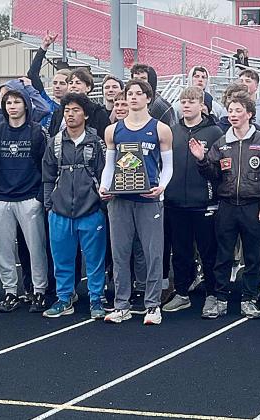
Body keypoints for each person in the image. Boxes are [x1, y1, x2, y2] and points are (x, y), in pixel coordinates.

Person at [193, 93, 260, 319]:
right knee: (223, 255)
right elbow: (213, 175)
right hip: (227, 206)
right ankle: (220, 299)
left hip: (253, 206)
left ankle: (249, 299)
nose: (233, 115)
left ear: (249, 114)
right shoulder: (221, 143)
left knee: (253, 255)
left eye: (238, 110)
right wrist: (202, 159)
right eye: (230, 110)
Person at [99, 80, 174, 325]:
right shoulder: (113, 130)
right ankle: (122, 305)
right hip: (120, 199)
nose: (133, 98)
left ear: (148, 98)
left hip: (148, 199)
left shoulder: (161, 129)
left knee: (153, 254)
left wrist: (161, 187)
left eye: (138, 94)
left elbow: (168, 166)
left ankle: (152, 305)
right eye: (129, 93)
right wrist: (104, 186)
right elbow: (110, 165)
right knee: (120, 253)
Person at [42, 93, 110, 320]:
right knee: (61, 258)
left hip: (91, 212)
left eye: (76, 110)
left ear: (86, 114)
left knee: (95, 259)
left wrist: (101, 206)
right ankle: (64, 298)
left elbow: (104, 175)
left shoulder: (97, 143)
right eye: (67, 110)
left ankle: (96, 298)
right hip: (60, 212)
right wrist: (49, 205)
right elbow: (48, 176)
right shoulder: (55, 143)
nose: (70, 115)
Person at [0, 86, 50, 313]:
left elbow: (45, 165)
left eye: (17, 102)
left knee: (36, 248)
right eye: (8, 103)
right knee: (2, 249)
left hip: (29, 197)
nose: (12, 107)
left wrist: (39, 197)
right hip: (1, 198)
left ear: (25, 105)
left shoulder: (36, 131)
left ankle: (39, 291)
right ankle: (11, 292)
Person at [162, 87, 222, 314]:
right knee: (180, 252)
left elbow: (219, 170)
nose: (186, 105)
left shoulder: (215, 132)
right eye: (183, 101)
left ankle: (212, 294)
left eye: (191, 101)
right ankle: (182, 293)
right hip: (176, 202)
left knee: (209, 251)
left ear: (201, 106)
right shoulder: (171, 131)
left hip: (204, 203)